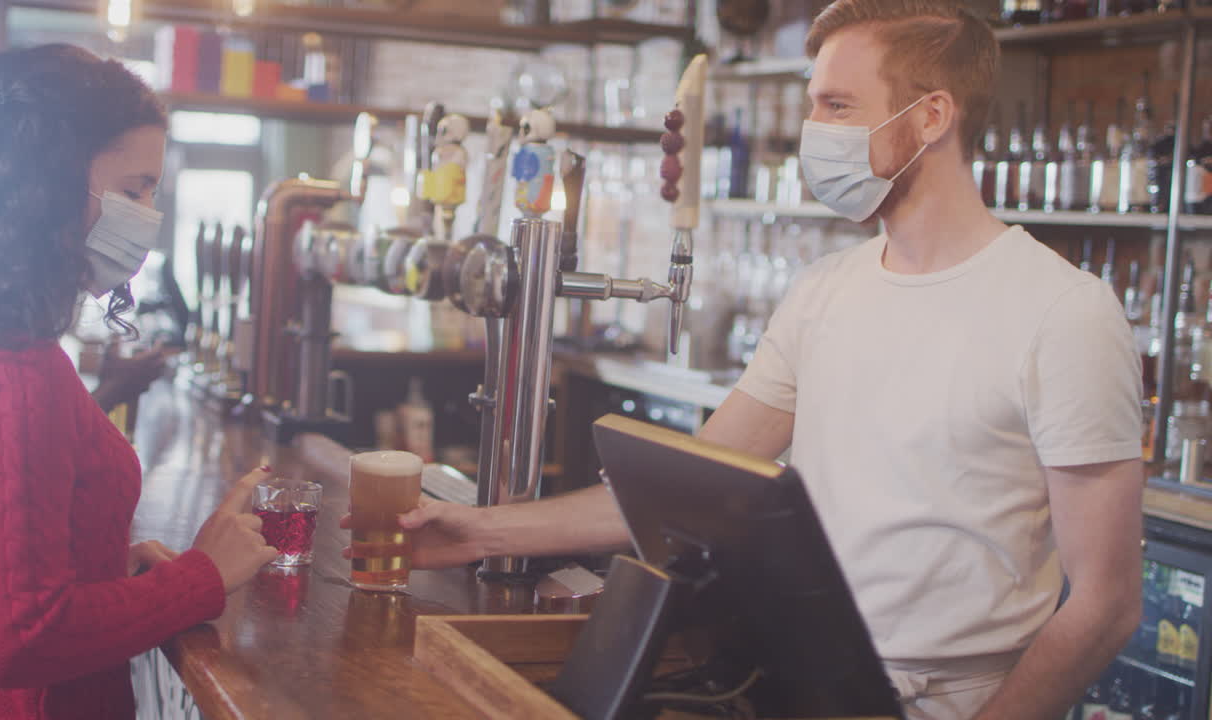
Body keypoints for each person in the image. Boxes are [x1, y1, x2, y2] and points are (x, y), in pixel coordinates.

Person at [347, 2, 1144, 718]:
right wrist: (477, 531)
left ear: (932, 114)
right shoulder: (825, 291)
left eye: (838, 106)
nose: (814, 132)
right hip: (796, 680)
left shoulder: (1063, 313)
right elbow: (680, 487)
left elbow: (1106, 604)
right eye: (812, 106)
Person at [0, 45, 279, 719]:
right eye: (133, 189)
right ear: (48, 188)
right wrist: (200, 576)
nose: (148, 215)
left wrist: (109, 573)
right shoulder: (16, 376)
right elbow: (22, 637)